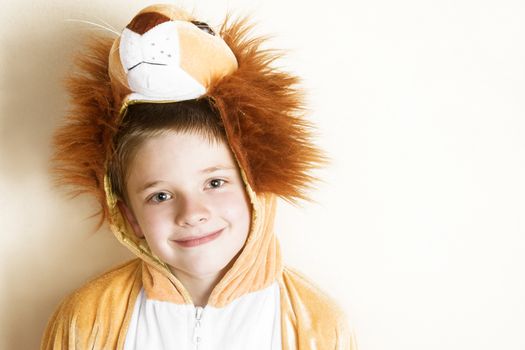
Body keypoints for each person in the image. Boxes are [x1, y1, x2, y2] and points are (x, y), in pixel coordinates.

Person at [42, 3, 357, 349]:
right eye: (160, 195)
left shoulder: (313, 324)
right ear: (129, 217)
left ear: (256, 188)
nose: (192, 213)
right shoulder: (89, 319)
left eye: (215, 183)